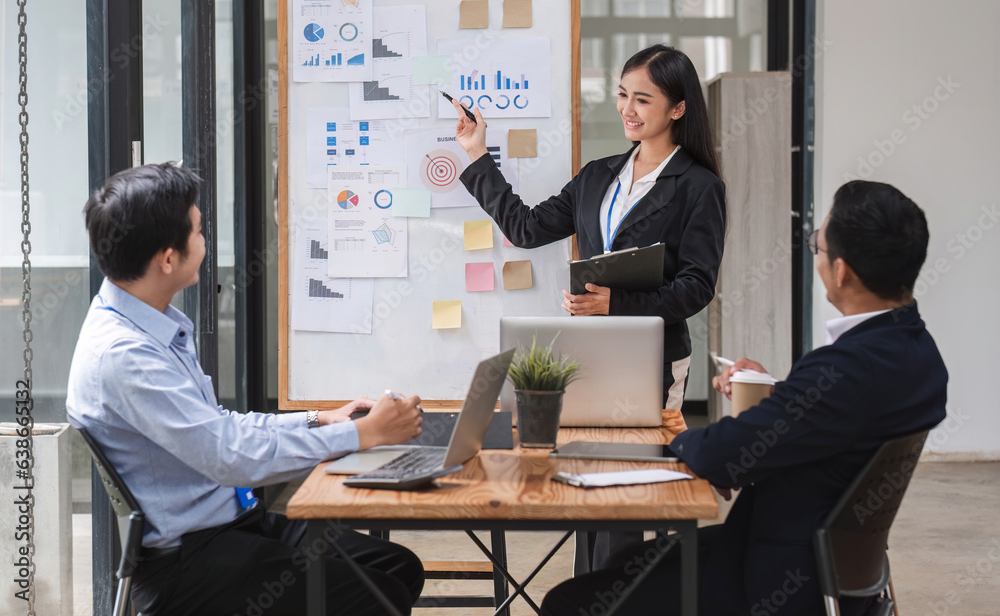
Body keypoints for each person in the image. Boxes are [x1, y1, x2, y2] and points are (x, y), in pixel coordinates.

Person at [540, 180, 949, 615]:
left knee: (571, 601)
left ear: (842, 270)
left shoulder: (844, 369)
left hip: (776, 577)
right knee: (627, 562)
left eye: (818, 246)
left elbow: (720, 456)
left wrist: (671, 440)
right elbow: (838, 421)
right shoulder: (919, 354)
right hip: (838, 570)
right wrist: (781, 396)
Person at [67, 163, 425, 615]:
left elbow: (219, 428)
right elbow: (229, 457)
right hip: (189, 564)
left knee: (399, 569)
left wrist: (319, 419)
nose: (204, 241)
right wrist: (363, 434)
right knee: (380, 597)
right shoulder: (125, 356)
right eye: (198, 232)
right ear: (168, 258)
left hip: (230, 524)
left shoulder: (150, 323)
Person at [452, 44, 726, 410]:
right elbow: (526, 229)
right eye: (623, 95)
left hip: (655, 356)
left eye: (642, 100)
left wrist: (616, 303)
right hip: (589, 349)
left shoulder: (700, 186)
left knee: (642, 460)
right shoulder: (598, 175)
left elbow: (696, 288)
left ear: (678, 108)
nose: (627, 109)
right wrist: (476, 152)